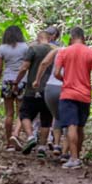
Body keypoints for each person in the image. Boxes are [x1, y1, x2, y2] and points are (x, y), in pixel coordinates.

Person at [53, 27, 92, 169]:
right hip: (84, 95)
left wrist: (66, 80)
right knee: (80, 127)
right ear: (83, 37)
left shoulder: (63, 51)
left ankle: (74, 158)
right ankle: (78, 156)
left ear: (71, 37)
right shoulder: (91, 53)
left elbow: (56, 72)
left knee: (71, 125)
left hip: (68, 94)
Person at [14, 29, 54, 157]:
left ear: (38, 38)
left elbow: (24, 67)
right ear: (50, 39)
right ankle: (42, 147)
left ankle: (31, 136)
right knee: (46, 119)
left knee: (24, 113)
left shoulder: (33, 49)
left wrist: (16, 81)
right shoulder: (55, 50)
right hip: (48, 89)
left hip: (32, 89)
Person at [0, 25, 28, 151]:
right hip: (21, 81)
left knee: (8, 113)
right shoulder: (25, 47)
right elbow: (27, 64)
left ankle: (9, 143)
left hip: (7, 81)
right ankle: (16, 136)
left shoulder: (2, 48)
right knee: (20, 112)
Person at [35, 26, 65, 157]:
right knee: (56, 116)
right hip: (61, 85)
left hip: (48, 84)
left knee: (43, 114)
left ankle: (40, 139)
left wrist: (36, 79)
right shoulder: (60, 49)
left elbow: (43, 64)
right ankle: (55, 141)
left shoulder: (35, 47)